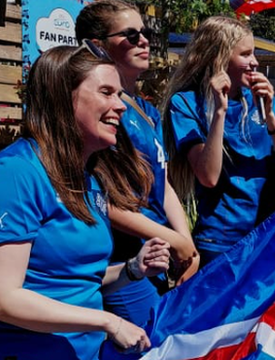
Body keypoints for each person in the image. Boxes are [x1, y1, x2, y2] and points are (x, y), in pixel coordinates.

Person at [0, 45, 170, 360]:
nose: (120, 106)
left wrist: (132, 269)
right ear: (64, 97)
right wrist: (108, 321)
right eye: (106, 92)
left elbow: (73, 279)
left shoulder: (88, 177)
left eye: (119, 94)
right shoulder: (15, 174)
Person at [75, 0, 198, 327]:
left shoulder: (147, 110)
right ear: (98, 46)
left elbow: (164, 184)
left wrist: (185, 241)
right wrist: (173, 240)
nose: (144, 41)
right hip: (125, 259)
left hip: (158, 253)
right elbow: (101, 200)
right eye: (131, 35)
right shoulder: (102, 117)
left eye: (145, 33)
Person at [161, 16, 275, 266]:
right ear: (219, 58)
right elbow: (209, 176)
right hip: (220, 241)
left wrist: (270, 116)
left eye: (254, 53)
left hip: (268, 231)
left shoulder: (260, 99)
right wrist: (219, 112)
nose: (255, 62)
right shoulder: (186, 103)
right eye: (245, 54)